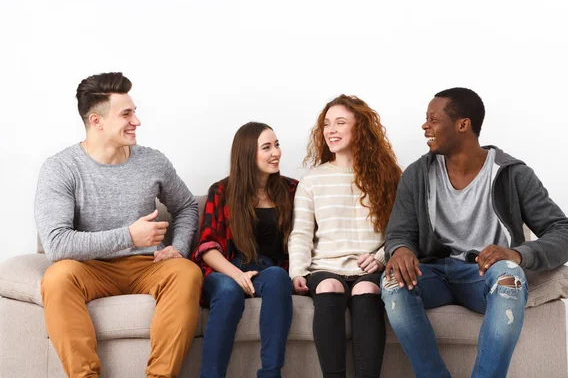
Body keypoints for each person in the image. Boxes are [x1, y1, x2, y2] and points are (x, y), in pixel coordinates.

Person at [381, 87, 568, 378]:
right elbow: (399, 232)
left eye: (433, 119)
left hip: (483, 277)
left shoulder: (512, 173)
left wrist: (518, 254)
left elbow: (562, 230)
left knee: (510, 277)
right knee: (392, 281)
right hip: (435, 274)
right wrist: (401, 249)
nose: (424, 126)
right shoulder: (418, 174)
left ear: (463, 124)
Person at [35, 72, 202, 378]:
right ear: (96, 121)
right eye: (126, 114)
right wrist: (128, 236)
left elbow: (187, 206)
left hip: (149, 264)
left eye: (134, 112)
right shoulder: (61, 168)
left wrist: (178, 248)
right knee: (57, 278)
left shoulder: (152, 161)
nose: (136, 121)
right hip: (90, 269)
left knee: (187, 272)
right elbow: (56, 244)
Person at [288, 95, 402, 378]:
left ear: (359, 128)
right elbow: (301, 232)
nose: (331, 130)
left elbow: (401, 231)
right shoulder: (312, 180)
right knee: (329, 287)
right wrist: (297, 271)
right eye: (327, 124)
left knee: (367, 290)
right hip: (325, 267)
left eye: (340, 122)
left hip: (370, 269)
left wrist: (379, 258)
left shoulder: (388, 178)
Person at [191, 122, 298, 378]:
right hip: (226, 269)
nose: (276, 152)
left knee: (277, 276)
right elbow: (207, 247)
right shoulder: (221, 191)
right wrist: (236, 275)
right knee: (228, 292)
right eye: (267, 147)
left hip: (266, 269)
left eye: (277, 145)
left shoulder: (292, 190)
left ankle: (271, 374)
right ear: (248, 153)